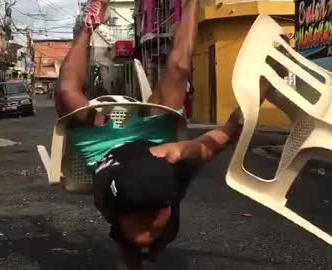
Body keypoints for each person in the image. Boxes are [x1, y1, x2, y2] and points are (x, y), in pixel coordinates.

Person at [55, 0, 286, 269]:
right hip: (156, 139)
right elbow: (231, 129)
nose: (145, 226)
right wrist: (267, 84)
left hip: (104, 147)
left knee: (65, 93)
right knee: (179, 68)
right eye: (150, 219)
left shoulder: (111, 198)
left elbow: (134, 234)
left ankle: (87, 27)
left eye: (141, 218)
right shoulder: (181, 158)